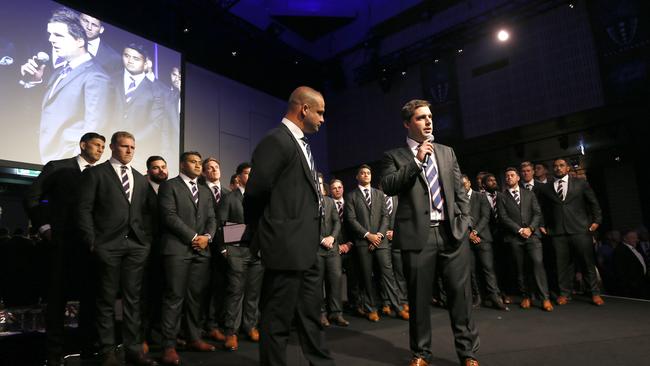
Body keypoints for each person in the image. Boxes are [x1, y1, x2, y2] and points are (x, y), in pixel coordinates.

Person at [381, 99, 479, 366]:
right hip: (418, 237)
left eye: (430, 117)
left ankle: (468, 354)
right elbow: (388, 186)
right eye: (421, 117)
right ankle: (421, 354)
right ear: (407, 123)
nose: (428, 121)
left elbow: (460, 191)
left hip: (451, 233)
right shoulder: (395, 156)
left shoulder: (447, 152)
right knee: (419, 299)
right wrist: (416, 161)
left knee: (460, 298)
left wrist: (464, 220)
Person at [244, 86, 335, 366]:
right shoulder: (277, 141)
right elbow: (255, 194)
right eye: (319, 112)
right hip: (284, 247)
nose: (322, 119)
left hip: (307, 248)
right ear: (303, 109)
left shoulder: (301, 143)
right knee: (277, 319)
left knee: (311, 316)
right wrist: (265, 236)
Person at [24, 132, 105, 366]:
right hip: (60, 244)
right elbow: (32, 197)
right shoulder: (58, 167)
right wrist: (45, 226)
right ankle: (54, 352)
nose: (101, 150)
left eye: (103, 146)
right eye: (96, 145)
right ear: (82, 145)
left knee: (91, 299)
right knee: (57, 300)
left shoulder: (103, 174)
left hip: (91, 246)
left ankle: (87, 348)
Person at [77, 131, 156, 366]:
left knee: (133, 300)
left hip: (136, 246)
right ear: (112, 147)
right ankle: (108, 352)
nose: (129, 150)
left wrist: (146, 242)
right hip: (106, 245)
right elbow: (83, 209)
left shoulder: (140, 179)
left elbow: (149, 213)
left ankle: (133, 350)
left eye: (132, 147)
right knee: (106, 301)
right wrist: (92, 241)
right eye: (124, 146)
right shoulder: (96, 173)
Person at [22, 8, 112, 163]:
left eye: (58, 35)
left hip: (66, 166)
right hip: (45, 160)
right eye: (50, 34)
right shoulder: (59, 72)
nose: (51, 39)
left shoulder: (96, 77)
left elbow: (94, 130)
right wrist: (35, 81)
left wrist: (72, 162)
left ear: (80, 41)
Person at [158, 152, 218, 365]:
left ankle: (193, 338)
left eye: (199, 162)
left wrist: (207, 237)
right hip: (177, 250)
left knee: (196, 299)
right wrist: (194, 237)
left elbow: (212, 218)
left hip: (202, 252)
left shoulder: (204, 190)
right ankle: (169, 345)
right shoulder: (169, 186)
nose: (197, 165)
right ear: (182, 164)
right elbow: (169, 216)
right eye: (193, 162)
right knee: (174, 298)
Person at [345, 164, 408, 321]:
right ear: (357, 177)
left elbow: (385, 216)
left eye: (368, 173)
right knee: (366, 277)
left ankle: (398, 307)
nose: (366, 175)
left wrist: (378, 235)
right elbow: (351, 220)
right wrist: (368, 235)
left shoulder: (380, 194)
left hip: (381, 241)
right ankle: (371, 309)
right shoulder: (351, 196)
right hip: (362, 242)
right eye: (363, 173)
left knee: (388, 275)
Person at [539, 158, 604, 306]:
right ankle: (564, 294)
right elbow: (541, 208)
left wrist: (596, 221)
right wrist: (542, 224)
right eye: (555, 166)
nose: (558, 168)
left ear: (567, 168)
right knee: (561, 265)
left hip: (580, 229)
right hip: (557, 231)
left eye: (561, 166)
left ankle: (594, 293)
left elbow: (593, 203)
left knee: (587, 262)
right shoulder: (546, 188)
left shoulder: (580, 183)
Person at [220, 162, 263, 351]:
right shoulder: (230, 198)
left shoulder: (261, 199)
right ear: (238, 177)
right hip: (236, 251)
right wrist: (224, 249)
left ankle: (250, 326)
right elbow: (222, 225)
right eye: (247, 174)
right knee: (235, 292)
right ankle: (231, 332)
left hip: (257, 252)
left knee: (253, 293)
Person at [497, 168, 553, 312]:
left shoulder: (529, 193)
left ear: (517, 178)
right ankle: (526, 296)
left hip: (532, 236)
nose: (509, 177)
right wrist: (520, 230)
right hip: (514, 237)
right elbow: (503, 217)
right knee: (520, 267)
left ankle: (544, 298)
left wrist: (531, 228)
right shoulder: (501, 196)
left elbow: (537, 213)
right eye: (507, 176)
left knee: (537, 264)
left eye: (512, 175)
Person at [461, 174, 507, 311]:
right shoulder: (458, 200)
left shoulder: (480, 197)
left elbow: (485, 216)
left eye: (465, 183)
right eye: (460, 184)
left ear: (469, 182)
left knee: (488, 269)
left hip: (483, 238)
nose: (463, 186)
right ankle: (478, 296)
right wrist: (469, 234)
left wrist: (474, 232)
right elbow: (459, 218)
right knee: (472, 270)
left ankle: (494, 296)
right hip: (467, 240)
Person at [201, 157, 231, 343]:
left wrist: (228, 247)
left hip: (225, 250)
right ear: (204, 172)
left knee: (220, 289)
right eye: (210, 168)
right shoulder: (199, 190)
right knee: (201, 290)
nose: (214, 170)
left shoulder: (229, 194)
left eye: (216, 167)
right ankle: (200, 326)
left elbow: (233, 221)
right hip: (203, 247)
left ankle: (214, 325)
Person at [316, 174, 348, 327]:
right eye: (317, 183)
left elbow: (337, 222)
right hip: (317, 249)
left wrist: (332, 238)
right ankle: (321, 314)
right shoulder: (308, 202)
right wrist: (322, 239)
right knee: (318, 284)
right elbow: (307, 226)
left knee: (336, 280)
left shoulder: (330, 201)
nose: (319, 185)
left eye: (321, 183)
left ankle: (336, 313)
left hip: (332, 248)